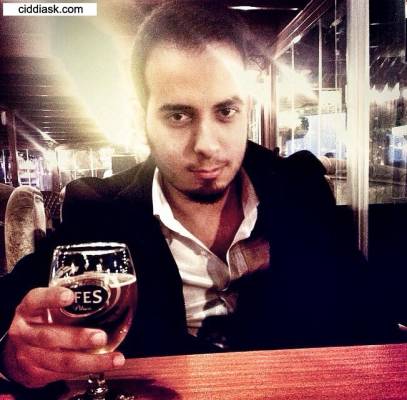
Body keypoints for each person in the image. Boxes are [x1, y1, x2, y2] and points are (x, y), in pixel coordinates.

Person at [0, 0, 402, 390]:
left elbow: (367, 313)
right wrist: (14, 358)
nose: (206, 144)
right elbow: (12, 314)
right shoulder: (99, 208)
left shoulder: (299, 188)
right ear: (141, 118)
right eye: (178, 115)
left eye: (225, 111)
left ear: (246, 109)